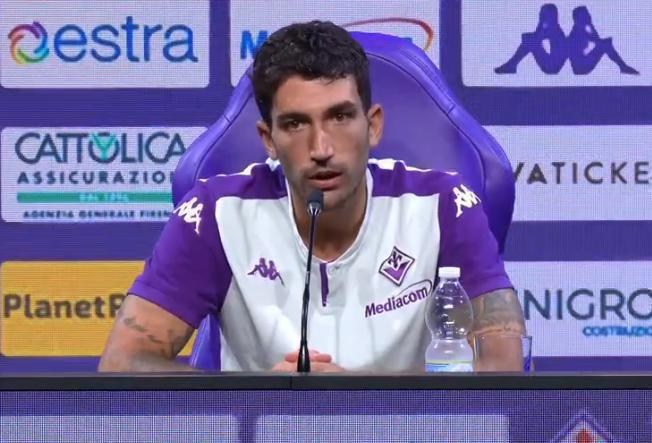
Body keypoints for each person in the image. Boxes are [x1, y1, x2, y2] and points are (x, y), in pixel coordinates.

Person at [99, 21, 526, 373]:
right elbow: (123, 362)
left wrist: (355, 398)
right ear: (268, 139)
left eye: (340, 116)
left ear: (373, 126)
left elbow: (503, 367)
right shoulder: (215, 214)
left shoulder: (445, 206)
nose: (321, 148)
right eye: (295, 124)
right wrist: (260, 398)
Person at [495, 4, 568, 74]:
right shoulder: (551, 27)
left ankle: (511, 65)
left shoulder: (554, 29)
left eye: (543, 14)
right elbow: (537, 35)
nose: (540, 15)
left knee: (529, 40)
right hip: (551, 65)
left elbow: (537, 36)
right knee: (530, 40)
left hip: (551, 67)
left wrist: (528, 36)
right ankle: (511, 65)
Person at [567, 6, 638, 75]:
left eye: (588, 14)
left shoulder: (588, 27)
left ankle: (623, 67)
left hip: (586, 60)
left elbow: (596, 39)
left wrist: (596, 42)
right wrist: (591, 47)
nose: (588, 17)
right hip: (581, 68)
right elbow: (579, 56)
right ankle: (623, 67)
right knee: (606, 44)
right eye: (585, 15)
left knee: (606, 44)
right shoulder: (575, 34)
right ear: (578, 19)